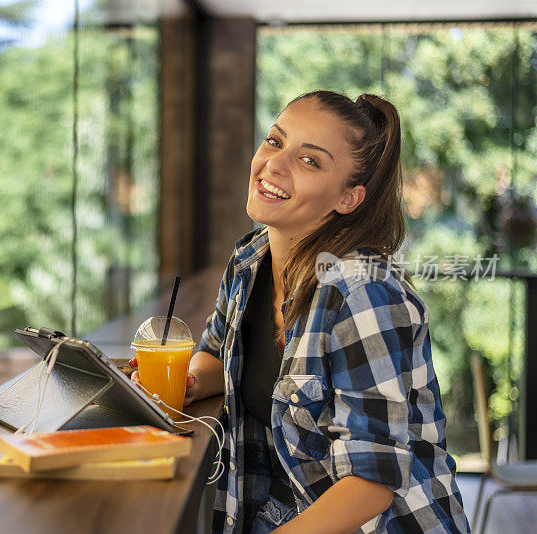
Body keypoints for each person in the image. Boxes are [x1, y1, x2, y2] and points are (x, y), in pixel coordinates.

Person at [130, 90, 470, 533]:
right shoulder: (250, 262)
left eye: (310, 160)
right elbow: (217, 352)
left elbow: (372, 482)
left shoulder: (364, 292)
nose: (274, 163)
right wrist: (188, 382)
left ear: (348, 199)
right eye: (275, 141)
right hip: (280, 511)